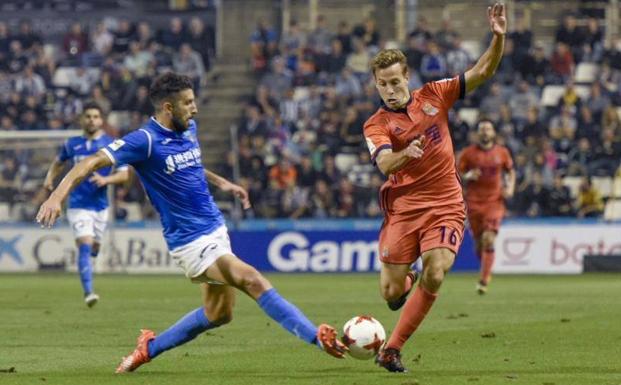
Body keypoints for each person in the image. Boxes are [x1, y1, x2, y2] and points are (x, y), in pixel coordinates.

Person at [36, 73, 346, 373]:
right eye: (188, 102)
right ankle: (316, 336)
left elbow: (192, 166)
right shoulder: (144, 140)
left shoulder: (189, 128)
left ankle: (149, 348)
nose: (194, 108)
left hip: (215, 228)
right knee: (251, 279)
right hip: (190, 241)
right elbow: (90, 162)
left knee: (219, 314)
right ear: (168, 107)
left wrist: (222, 183)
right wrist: (56, 198)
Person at [362, 2, 507, 373]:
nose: (391, 90)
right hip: (404, 207)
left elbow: (482, 71)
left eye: (396, 82)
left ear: (407, 76)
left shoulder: (435, 95)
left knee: (437, 269)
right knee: (391, 293)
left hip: (445, 203)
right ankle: (408, 280)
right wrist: (406, 155)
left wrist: (498, 37)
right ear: (375, 85)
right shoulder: (375, 125)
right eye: (383, 84)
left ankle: (391, 349)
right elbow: (383, 164)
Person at [42, 102, 129, 307]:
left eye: (95, 116)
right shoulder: (72, 144)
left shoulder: (111, 143)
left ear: (101, 120)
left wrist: (106, 180)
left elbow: (124, 174)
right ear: (82, 119)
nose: (91, 120)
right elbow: (58, 162)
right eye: (88, 116)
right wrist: (49, 178)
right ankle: (89, 292)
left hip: (101, 206)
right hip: (78, 205)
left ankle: (89, 260)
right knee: (85, 246)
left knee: (94, 247)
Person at [458, 120, 515, 294]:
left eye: (488, 129)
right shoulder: (468, 154)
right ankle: (486, 267)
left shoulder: (502, 152)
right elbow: (456, 175)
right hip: (473, 203)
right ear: (477, 133)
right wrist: (468, 175)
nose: (485, 132)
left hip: (494, 202)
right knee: (478, 244)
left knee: (489, 239)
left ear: (493, 133)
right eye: (482, 129)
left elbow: (510, 171)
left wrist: (510, 187)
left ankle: (484, 279)